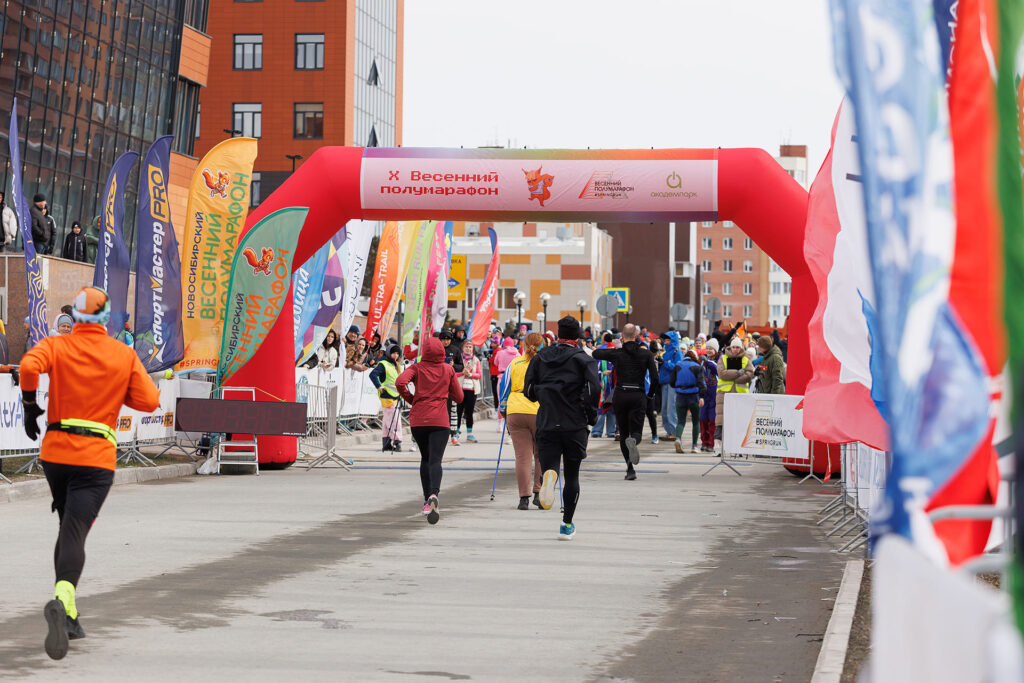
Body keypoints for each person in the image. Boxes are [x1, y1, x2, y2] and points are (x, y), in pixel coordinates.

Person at [19, 286, 160, 660]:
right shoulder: (122, 354)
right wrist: (117, 389)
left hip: (55, 453)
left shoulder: (57, 345)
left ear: (75, 318)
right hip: (94, 458)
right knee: (75, 531)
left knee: (68, 527)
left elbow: (29, 367)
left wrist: (30, 405)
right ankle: (62, 599)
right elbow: (149, 400)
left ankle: (70, 615)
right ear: (107, 318)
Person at [524, 316, 599, 540]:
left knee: (550, 466)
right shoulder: (583, 359)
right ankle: (566, 524)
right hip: (574, 422)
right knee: (573, 475)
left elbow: (529, 389)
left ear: (558, 333)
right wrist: (591, 414)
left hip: (547, 420)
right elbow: (594, 389)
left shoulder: (541, 357)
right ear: (578, 336)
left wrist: (542, 396)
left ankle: (549, 477)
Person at [395, 334, 463, 525]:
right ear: (442, 351)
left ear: (424, 351)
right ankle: (434, 494)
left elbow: (400, 382)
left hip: (419, 420)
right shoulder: (448, 369)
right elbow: (459, 397)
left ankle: (427, 501)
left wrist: (412, 399)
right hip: (440, 420)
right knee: (435, 460)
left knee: (425, 458)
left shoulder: (417, 367)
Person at [593, 324, 659, 480]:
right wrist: (650, 396)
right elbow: (655, 378)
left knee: (623, 433)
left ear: (622, 336)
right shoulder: (646, 354)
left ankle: (630, 469)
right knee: (636, 432)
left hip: (621, 394)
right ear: (636, 336)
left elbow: (595, 353)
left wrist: (614, 347)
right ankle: (634, 441)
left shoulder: (617, 353)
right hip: (638, 394)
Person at [502, 332, 544, 510]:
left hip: (516, 409)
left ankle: (523, 498)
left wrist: (503, 409)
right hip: (539, 410)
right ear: (542, 345)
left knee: (522, 457)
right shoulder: (545, 363)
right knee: (541, 455)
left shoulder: (515, 362)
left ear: (525, 345)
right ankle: (539, 493)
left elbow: (504, 387)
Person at [716, 338, 755, 440]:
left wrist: (735, 379)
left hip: (740, 394)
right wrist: (738, 373)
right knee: (721, 421)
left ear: (741, 348)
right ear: (730, 347)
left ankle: (738, 443)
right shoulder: (723, 358)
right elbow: (722, 373)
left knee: (740, 422)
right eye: (733, 347)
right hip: (724, 394)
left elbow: (749, 374)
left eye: (737, 347)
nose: (735, 349)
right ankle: (718, 444)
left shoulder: (746, 359)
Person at [369, 345, 404, 452]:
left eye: (397, 353)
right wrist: (379, 386)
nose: (395, 355)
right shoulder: (383, 364)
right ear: (388, 353)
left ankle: (386, 443)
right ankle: (397, 441)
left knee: (387, 421)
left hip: (394, 396)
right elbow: (373, 374)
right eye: (393, 353)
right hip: (387, 396)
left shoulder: (395, 365)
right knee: (395, 420)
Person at [670, 349, 705, 453]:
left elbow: (671, 382)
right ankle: (694, 446)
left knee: (680, 421)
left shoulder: (677, 365)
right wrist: (702, 396)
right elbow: (701, 383)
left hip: (680, 396)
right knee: (695, 421)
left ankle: (678, 438)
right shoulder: (697, 366)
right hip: (693, 396)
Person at [438, 328, 464, 445]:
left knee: (453, 410)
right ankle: (441, 434)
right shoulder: (436, 350)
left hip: (451, 385)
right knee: (440, 411)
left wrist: (453, 366)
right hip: (438, 385)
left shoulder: (456, 350)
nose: (446, 341)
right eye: (443, 339)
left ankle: (454, 435)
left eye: (448, 339)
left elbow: (461, 366)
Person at [591, 332, 618, 439]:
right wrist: (604, 373)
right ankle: (603, 431)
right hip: (605, 384)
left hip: (608, 384)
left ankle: (603, 431)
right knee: (605, 406)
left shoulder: (600, 351)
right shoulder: (606, 352)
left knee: (608, 407)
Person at [455, 339, 481, 443]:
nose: (468, 348)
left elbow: (479, 375)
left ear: (473, 349)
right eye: (466, 346)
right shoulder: (458, 359)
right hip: (460, 389)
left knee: (469, 412)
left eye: (470, 347)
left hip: (472, 390)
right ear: (462, 348)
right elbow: (453, 373)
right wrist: (463, 372)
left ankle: (470, 434)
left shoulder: (476, 360)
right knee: (458, 411)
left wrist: (470, 374)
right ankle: (456, 433)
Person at [658, 331, 682, 441]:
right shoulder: (665, 353)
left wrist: (664, 363)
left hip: (673, 383)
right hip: (664, 383)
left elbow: (678, 367)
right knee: (664, 409)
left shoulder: (678, 352)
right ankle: (669, 432)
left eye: (668, 340)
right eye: (666, 340)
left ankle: (674, 432)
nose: (666, 342)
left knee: (671, 408)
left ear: (673, 341)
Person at [699, 340, 720, 452]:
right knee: (703, 419)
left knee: (712, 420)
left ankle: (711, 443)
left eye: (711, 349)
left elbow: (718, 371)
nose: (708, 350)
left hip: (714, 395)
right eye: (707, 348)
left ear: (715, 350)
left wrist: (708, 362)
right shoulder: (703, 361)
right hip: (704, 395)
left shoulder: (719, 360)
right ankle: (704, 442)